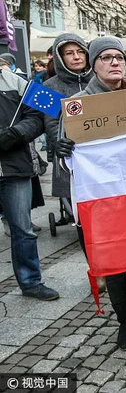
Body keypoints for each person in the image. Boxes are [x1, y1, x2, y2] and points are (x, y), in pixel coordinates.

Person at [55, 37, 126, 351]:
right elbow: (66, 161)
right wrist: (63, 151)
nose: (115, 62)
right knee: (115, 263)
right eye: (106, 57)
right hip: (104, 199)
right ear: (94, 63)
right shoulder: (79, 104)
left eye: (119, 57)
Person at [42, 34, 104, 291]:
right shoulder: (48, 86)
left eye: (80, 51)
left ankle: (123, 266)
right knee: (83, 222)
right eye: (69, 53)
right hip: (72, 164)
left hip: (102, 161)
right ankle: (97, 271)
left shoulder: (99, 78)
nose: (76, 57)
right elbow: (48, 122)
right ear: (60, 57)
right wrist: (59, 144)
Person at [0, 67, 59, 301]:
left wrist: (15, 134)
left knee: (23, 230)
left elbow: (37, 116)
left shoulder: (14, 81)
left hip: (14, 167)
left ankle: (31, 281)